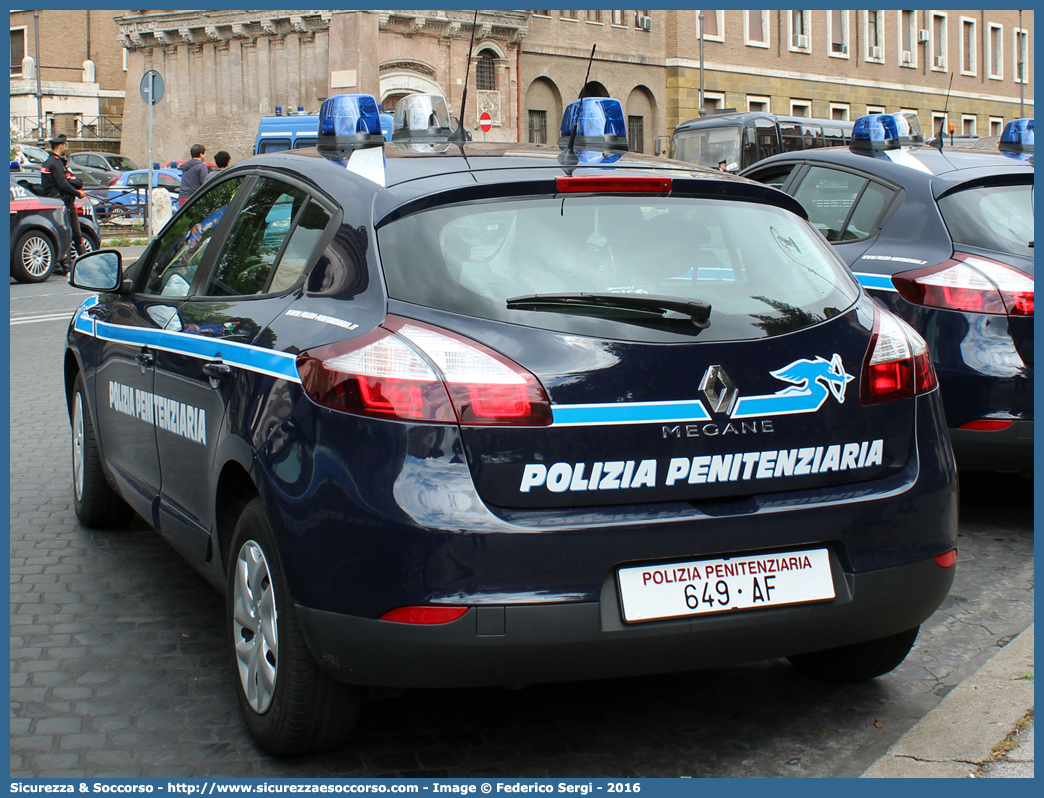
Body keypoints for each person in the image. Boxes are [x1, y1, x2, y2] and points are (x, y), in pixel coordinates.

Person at [39, 133, 87, 271]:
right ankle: (69, 264)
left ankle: (72, 263)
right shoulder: (56, 163)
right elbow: (63, 184)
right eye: (65, 144)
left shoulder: (49, 162)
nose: (65, 147)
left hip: (56, 201)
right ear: (61, 145)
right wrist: (78, 193)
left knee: (72, 232)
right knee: (72, 232)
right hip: (62, 202)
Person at [177, 143, 209, 207]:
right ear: (201, 154)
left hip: (182, 198)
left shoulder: (186, 166)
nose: (205, 156)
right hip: (194, 198)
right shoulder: (201, 166)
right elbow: (204, 184)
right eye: (204, 154)